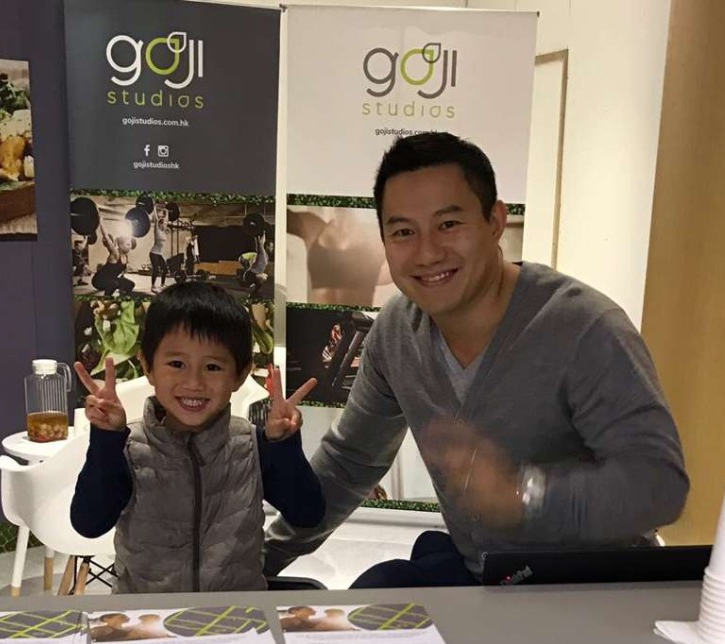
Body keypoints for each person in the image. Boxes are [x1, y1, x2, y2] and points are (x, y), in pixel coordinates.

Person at [264, 132, 689, 587]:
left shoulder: (584, 327)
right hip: (487, 578)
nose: (427, 252)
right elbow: (350, 464)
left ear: (495, 221)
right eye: (404, 231)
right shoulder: (397, 331)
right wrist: (255, 563)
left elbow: (658, 485)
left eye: (449, 225)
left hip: (591, 588)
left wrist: (524, 493)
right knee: (377, 594)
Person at [70, 281, 324, 593]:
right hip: (149, 620)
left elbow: (308, 514)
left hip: (235, 617)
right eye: (176, 364)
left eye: (213, 367)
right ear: (147, 366)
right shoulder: (129, 449)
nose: (193, 382)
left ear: (240, 374)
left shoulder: (252, 445)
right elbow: (88, 523)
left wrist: (284, 446)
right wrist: (106, 441)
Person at [149, 202, 170, 293]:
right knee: (156, 270)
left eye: (165, 224)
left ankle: (162, 284)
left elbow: (167, 219)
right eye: (163, 224)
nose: (164, 225)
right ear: (160, 224)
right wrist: (154, 207)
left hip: (159, 253)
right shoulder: (157, 230)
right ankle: (153, 286)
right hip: (153, 253)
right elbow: (157, 219)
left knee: (165, 268)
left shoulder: (164, 231)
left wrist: (167, 210)